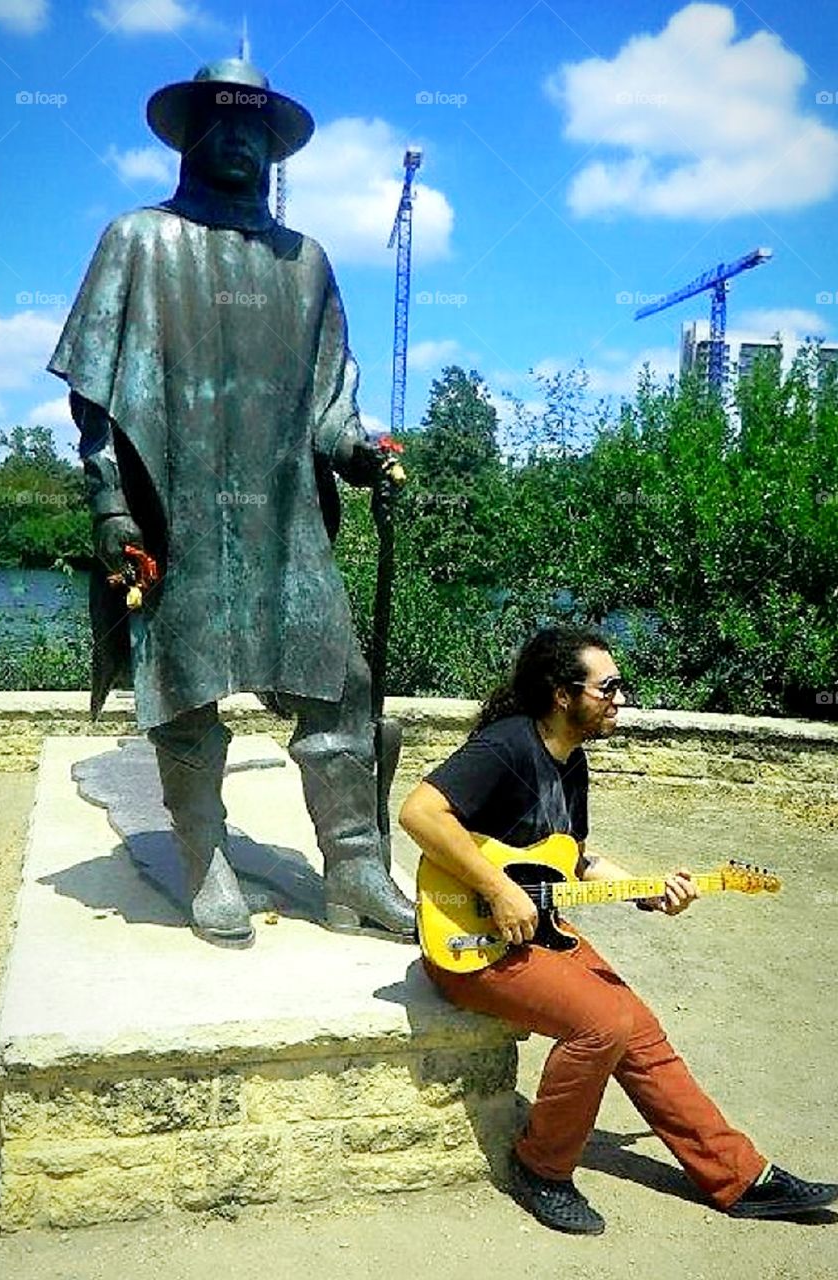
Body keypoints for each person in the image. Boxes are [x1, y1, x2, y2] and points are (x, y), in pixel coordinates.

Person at [48, 47, 415, 947]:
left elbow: (331, 405)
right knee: (186, 689)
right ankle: (205, 858)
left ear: (274, 146)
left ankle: (356, 871)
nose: (240, 140)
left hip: (284, 522)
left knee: (344, 690)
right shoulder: (138, 241)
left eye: (255, 127)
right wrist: (111, 510)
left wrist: (362, 454)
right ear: (192, 135)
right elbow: (96, 402)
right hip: (180, 513)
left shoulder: (307, 263)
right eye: (223, 122)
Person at [400, 625, 837, 1234]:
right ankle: (542, 1168)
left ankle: (739, 1175)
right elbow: (419, 812)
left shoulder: (570, 763)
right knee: (600, 1023)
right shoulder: (505, 746)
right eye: (608, 687)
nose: (621, 700)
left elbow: (569, 859)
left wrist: (647, 889)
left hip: (538, 928)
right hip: (469, 944)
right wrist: (498, 889)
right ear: (562, 694)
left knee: (640, 1028)